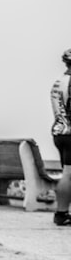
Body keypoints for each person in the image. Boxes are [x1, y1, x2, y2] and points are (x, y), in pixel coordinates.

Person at [50, 48, 71, 226]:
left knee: (67, 172)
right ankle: (61, 213)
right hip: (70, 133)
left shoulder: (58, 81)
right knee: (69, 174)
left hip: (59, 131)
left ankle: (62, 213)